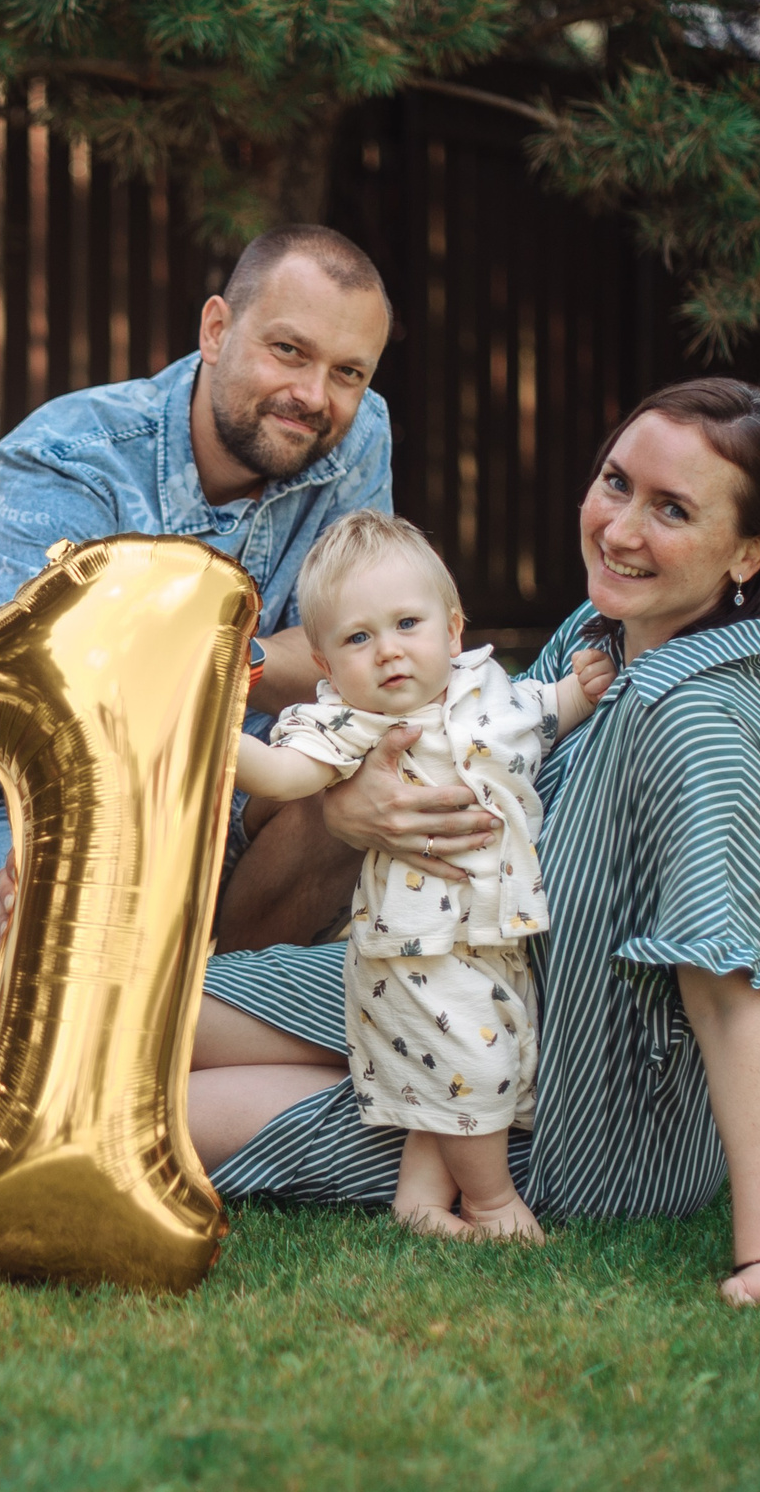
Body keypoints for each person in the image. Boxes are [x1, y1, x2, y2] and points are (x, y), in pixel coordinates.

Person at [0, 378, 760, 1306]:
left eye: (672, 510)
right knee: (69, 1002)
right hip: (436, 972)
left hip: (554, 1110)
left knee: (124, 1100)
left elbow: (732, 1000)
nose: (619, 530)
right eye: (615, 482)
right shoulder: (607, 635)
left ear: (748, 552)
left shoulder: (704, 726)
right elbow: (470, 729)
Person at [0, 225, 502, 1021]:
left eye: (348, 371)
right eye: (288, 350)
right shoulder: (70, 457)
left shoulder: (356, 434)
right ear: (216, 330)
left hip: (250, 784)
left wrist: (174, 660)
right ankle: (9, 999)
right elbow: (60, 707)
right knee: (61, 937)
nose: (315, 395)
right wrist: (274, 663)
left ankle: (212, 1007)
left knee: (401, 753)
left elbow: (371, 657)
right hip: (41, 803)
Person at [232, 510, 616, 1242]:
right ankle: (494, 1202)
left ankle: (418, 1202)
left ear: (452, 629)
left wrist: (581, 691)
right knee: (475, 1063)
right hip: (421, 949)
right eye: (358, 638)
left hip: (491, 938)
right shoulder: (351, 722)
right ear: (325, 665)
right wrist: (219, 738)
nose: (388, 653)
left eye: (407, 624)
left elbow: (544, 712)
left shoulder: (491, 690)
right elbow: (282, 775)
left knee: (451, 1067)